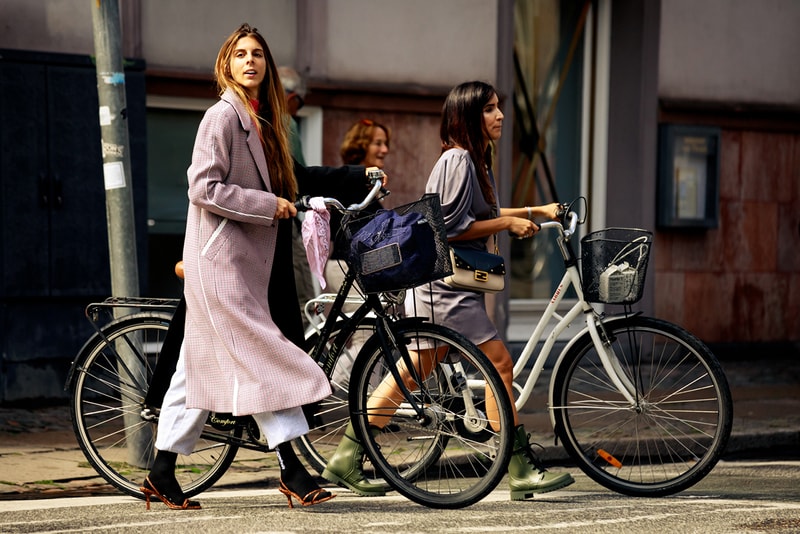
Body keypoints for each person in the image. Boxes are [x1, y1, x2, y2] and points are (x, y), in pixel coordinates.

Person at [141, 23, 376, 511]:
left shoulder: (261, 119)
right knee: (264, 357)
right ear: (226, 64)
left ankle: (161, 472)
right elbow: (203, 188)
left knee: (193, 369)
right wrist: (268, 205)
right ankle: (291, 467)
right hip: (220, 266)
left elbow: (287, 181)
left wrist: (305, 197)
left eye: (258, 55)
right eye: (240, 54)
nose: (250, 61)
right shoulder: (220, 117)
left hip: (240, 266)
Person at [322, 81, 575, 502]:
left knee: (410, 373)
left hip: (443, 287)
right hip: (444, 289)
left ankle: (346, 456)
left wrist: (534, 212)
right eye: (490, 109)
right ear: (468, 116)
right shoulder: (458, 159)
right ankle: (519, 467)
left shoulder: (471, 159)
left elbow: (483, 213)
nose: (499, 116)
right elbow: (453, 228)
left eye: (498, 108)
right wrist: (508, 225)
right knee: (498, 364)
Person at [325, 119, 391, 292]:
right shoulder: (350, 183)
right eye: (378, 143)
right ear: (360, 146)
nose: (385, 149)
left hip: (356, 267)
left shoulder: (364, 186)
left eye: (385, 143)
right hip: (348, 269)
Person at [278, 65, 315, 331]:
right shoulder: (284, 120)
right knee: (304, 307)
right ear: (292, 97)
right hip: (283, 219)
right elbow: (300, 178)